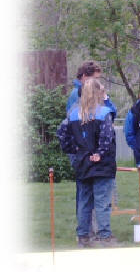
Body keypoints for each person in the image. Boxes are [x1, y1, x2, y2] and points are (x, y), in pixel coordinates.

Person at [57, 78, 118, 247]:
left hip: (82, 162)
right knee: (102, 201)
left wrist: (73, 150)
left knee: (84, 202)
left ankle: (83, 236)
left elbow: (61, 133)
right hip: (102, 164)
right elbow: (107, 136)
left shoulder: (74, 113)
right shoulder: (103, 112)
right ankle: (104, 236)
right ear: (98, 93)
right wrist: (100, 153)